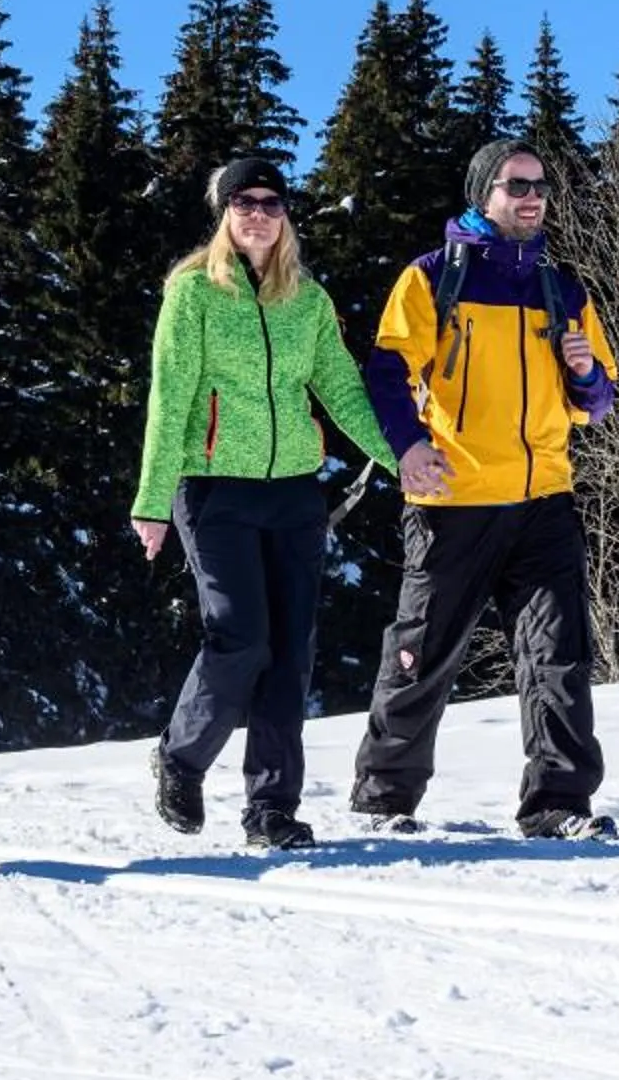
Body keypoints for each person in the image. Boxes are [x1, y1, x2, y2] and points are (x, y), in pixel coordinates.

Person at [129, 156, 440, 850]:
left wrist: (404, 459)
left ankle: (272, 810)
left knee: (290, 654)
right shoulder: (193, 294)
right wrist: (152, 502)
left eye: (271, 202)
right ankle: (180, 758)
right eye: (245, 202)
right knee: (239, 637)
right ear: (224, 212)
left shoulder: (308, 300)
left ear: (286, 214)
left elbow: (343, 392)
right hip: (213, 489)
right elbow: (169, 398)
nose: (259, 214)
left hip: (295, 492)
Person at [351, 138, 619, 839]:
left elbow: (598, 401)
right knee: (421, 656)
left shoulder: (563, 289)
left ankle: (558, 805)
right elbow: (386, 373)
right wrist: (408, 448)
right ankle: (385, 802)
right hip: (454, 501)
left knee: (559, 657)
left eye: (539, 186)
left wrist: (587, 372)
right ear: (483, 195)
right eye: (515, 186)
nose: (531, 197)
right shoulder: (432, 277)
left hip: (544, 501)